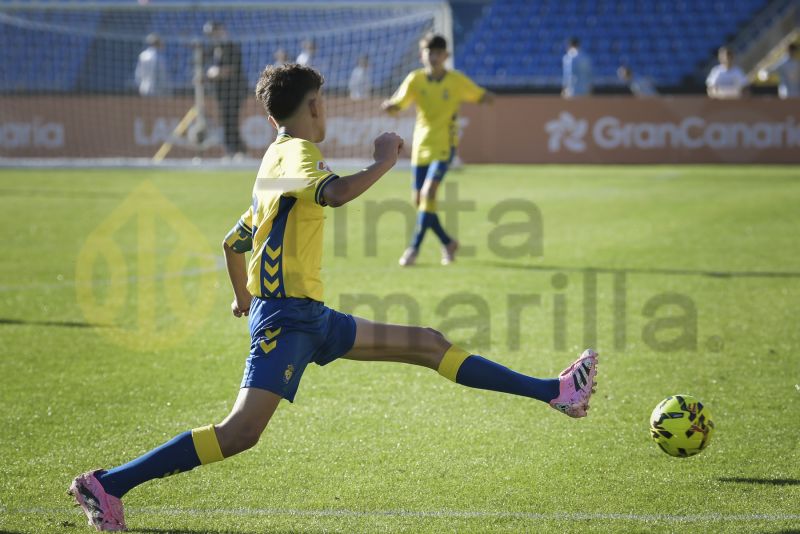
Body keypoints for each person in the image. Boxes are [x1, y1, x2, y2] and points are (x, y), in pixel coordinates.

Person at [68, 63, 598, 532]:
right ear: (314, 107)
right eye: (322, 102)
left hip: (309, 316)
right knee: (240, 432)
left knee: (427, 343)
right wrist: (384, 160)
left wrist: (244, 297)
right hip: (288, 320)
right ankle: (108, 485)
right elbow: (336, 193)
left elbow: (234, 242)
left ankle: (556, 392)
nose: (325, 112)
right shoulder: (298, 154)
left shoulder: (273, 161)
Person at [382, 33, 493, 267]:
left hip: (444, 145)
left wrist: (486, 97)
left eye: (438, 53)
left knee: (428, 194)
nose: (433, 57)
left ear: (446, 56)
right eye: (429, 53)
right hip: (421, 144)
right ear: (422, 55)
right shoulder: (415, 79)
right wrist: (391, 107)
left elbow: (479, 94)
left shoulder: (456, 80)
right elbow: (399, 102)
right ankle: (448, 242)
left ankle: (413, 249)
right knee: (420, 200)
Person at [204, 21, 248, 157]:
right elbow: (206, 66)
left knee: (230, 120)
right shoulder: (213, 48)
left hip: (234, 91)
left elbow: (231, 69)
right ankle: (235, 150)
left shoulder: (231, 47)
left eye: (214, 32)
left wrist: (214, 73)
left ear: (221, 30)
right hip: (221, 92)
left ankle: (237, 151)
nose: (213, 36)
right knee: (226, 121)